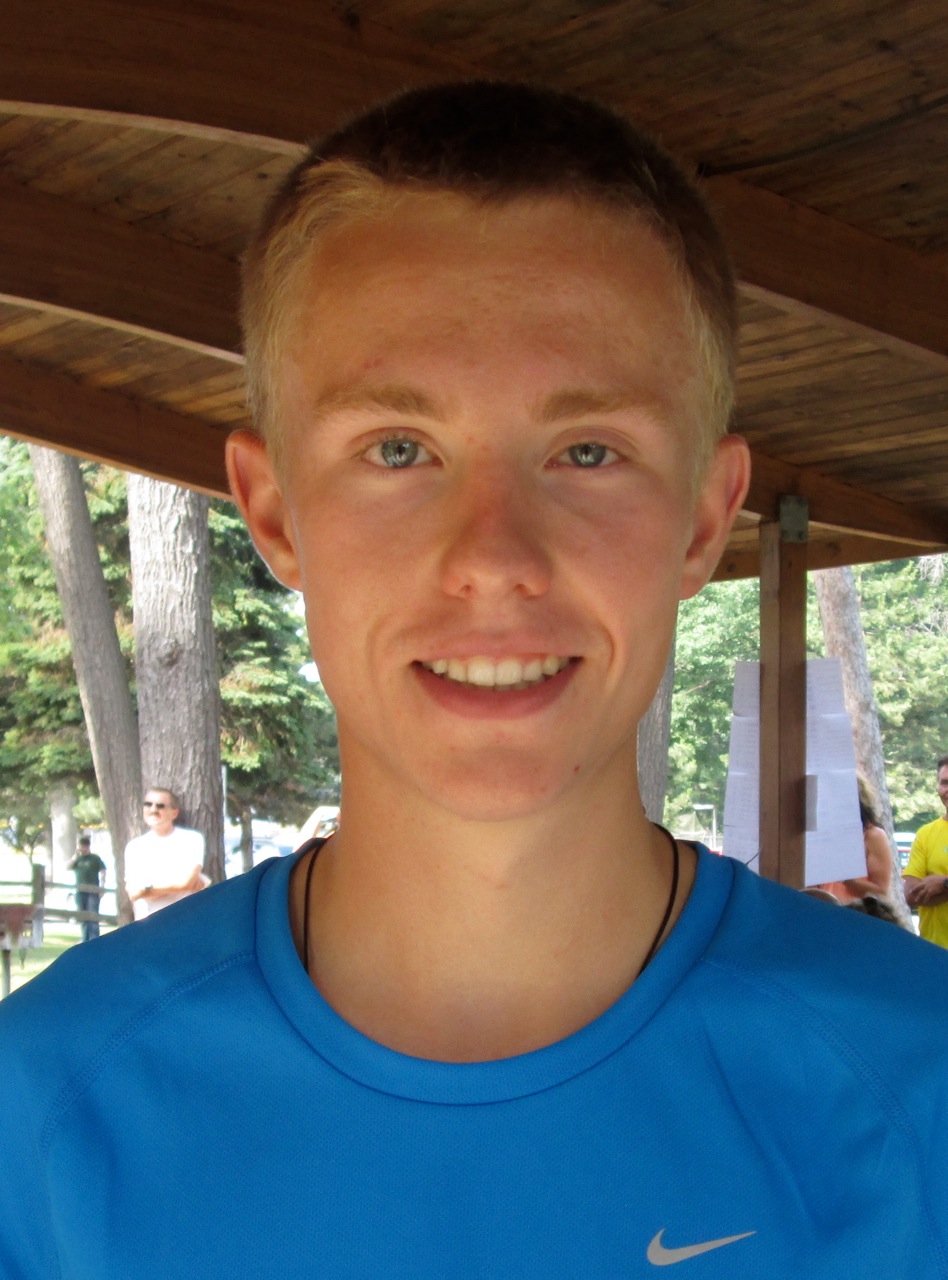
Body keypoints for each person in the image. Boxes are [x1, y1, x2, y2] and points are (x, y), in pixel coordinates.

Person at [2, 82, 948, 1279]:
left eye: (588, 450)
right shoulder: (42, 1117)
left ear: (705, 520)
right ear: (275, 512)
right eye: (398, 449)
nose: (494, 557)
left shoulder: (921, 1090)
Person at [123, 787, 208, 919]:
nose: (153, 810)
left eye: (160, 806)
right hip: (148, 924)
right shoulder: (134, 847)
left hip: (185, 919)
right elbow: (133, 893)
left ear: (174, 813)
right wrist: (176, 885)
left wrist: (146, 888)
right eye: (148, 804)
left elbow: (186, 883)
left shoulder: (192, 839)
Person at [816, 774, 894, 904]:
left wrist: (843, 877)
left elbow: (881, 893)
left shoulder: (873, 835)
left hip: (858, 913)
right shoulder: (825, 836)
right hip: (828, 911)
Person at [903, 754, 948, 946]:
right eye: (944, 783)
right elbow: (912, 896)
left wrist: (942, 884)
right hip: (933, 950)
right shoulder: (925, 834)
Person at [65, 834, 106, 942]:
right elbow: (68, 867)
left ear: (87, 847)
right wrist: (74, 857)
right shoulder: (77, 859)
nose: (82, 849)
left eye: (83, 846)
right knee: (82, 916)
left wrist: (102, 886)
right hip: (80, 891)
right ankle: (85, 938)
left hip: (93, 891)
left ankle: (94, 939)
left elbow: (103, 870)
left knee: (93, 915)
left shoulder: (95, 858)